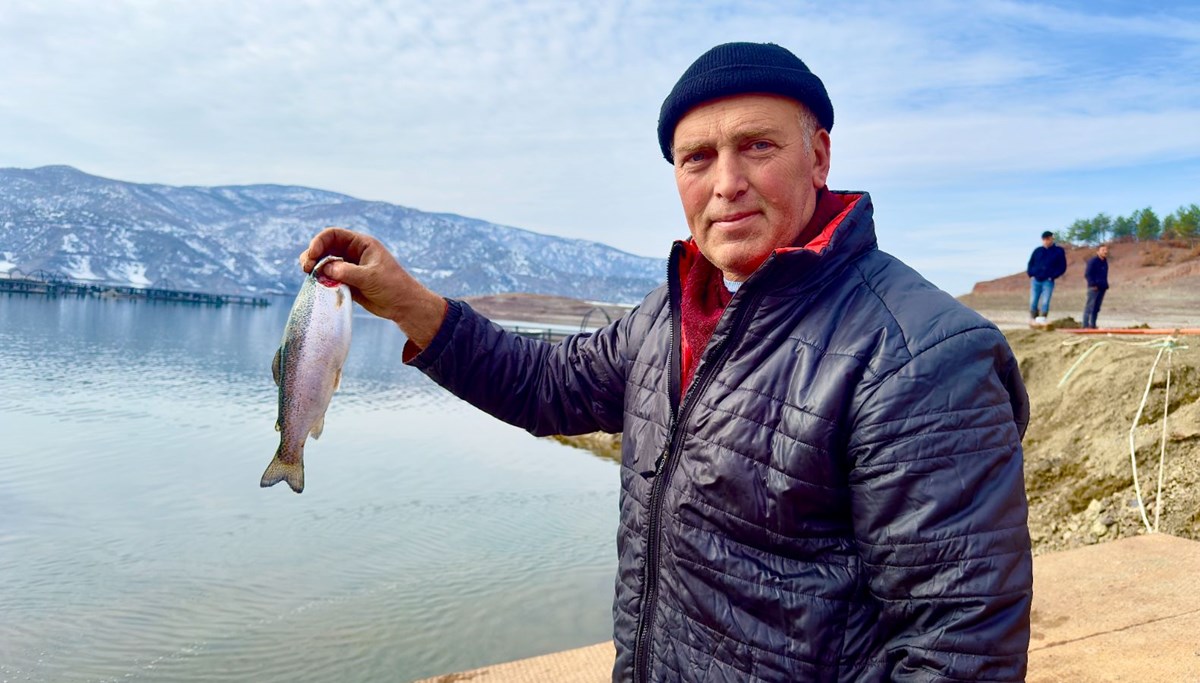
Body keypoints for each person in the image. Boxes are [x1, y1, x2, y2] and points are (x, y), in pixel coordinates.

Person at [302, 42, 1033, 682]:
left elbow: (960, 649)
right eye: (697, 158)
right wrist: (407, 302)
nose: (725, 183)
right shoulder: (668, 318)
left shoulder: (918, 356)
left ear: (819, 155)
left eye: (758, 146)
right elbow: (544, 386)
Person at [1026, 230, 1067, 326]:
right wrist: (1031, 274)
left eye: (1048, 239)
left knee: (1045, 301)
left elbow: (1062, 266)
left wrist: (1052, 276)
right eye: (1045, 239)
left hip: (1048, 280)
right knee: (1033, 301)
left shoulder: (1058, 251)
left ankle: (1043, 319)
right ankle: (1034, 320)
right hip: (1036, 280)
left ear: (1052, 239)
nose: (1046, 241)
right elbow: (1030, 263)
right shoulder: (1037, 251)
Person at [1082, 243, 1110, 329]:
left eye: (1106, 250)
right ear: (1098, 251)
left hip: (1102, 287)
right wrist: (1092, 284)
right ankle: (1085, 325)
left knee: (1096, 307)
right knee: (1090, 306)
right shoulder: (1093, 261)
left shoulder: (1105, 262)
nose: (1105, 252)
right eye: (1103, 250)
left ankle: (1093, 325)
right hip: (1094, 287)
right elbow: (1088, 274)